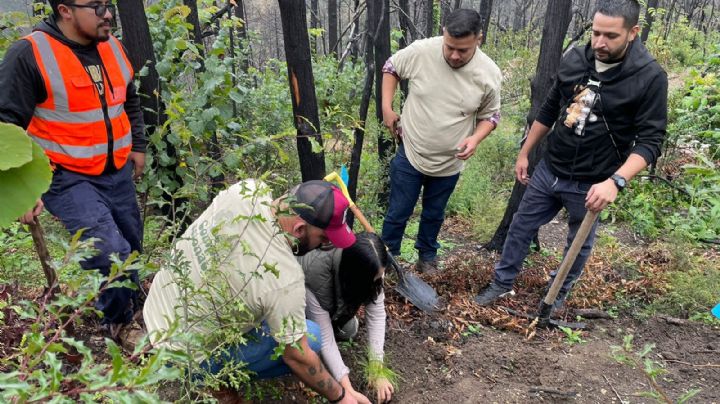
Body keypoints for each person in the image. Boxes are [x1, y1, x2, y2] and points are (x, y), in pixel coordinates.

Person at [475, 0, 667, 311]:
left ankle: (555, 298)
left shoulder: (648, 76)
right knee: (521, 225)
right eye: (596, 33)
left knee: (578, 244)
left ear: (633, 32)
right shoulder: (576, 57)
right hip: (551, 167)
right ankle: (501, 284)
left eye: (611, 36)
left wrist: (615, 182)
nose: (600, 43)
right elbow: (550, 107)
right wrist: (526, 152)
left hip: (594, 180)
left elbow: (650, 141)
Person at [0, 0, 147, 342]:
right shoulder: (30, 54)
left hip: (116, 169)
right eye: (96, 7)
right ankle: (118, 323)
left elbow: (129, 98)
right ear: (65, 10)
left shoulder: (112, 45)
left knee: (132, 244)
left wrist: (138, 145)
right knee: (109, 252)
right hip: (64, 175)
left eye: (108, 5)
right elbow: (6, 126)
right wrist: (22, 188)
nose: (107, 14)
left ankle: (135, 303)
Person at [143, 180, 359, 403]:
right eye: (323, 239)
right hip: (184, 356)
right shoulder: (286, 280)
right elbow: (298, 356)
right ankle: (211, 382)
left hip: (157, 308)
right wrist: (341, 397)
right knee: (310, 336)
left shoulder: (247, 190)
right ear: (299, 229)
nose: (324, 245)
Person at [381, 8, 501, 273]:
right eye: (449, 47)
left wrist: (476, 139)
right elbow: (391, 67)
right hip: (411, 152)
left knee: (434, 213)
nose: (454, 55)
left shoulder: (489, 73)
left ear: (478, 40)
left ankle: (427, 257)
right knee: (398, 211)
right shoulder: (422, 51)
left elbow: (491, 116)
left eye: (463, 50)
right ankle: (386, 260)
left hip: (449, 162)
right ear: (443, 35)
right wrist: (387, 108)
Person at [299, 232, 394, 404]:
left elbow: (377, 314)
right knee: (314, 341)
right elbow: (326, 338)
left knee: (349, 331)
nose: (378, 282)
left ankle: (338, 322)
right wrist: (346, 389)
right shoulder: (314, 274)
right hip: (303, 308)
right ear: (354, 277)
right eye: (374, 280)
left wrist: (376, 368)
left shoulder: (374, 266)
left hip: (336, 301)